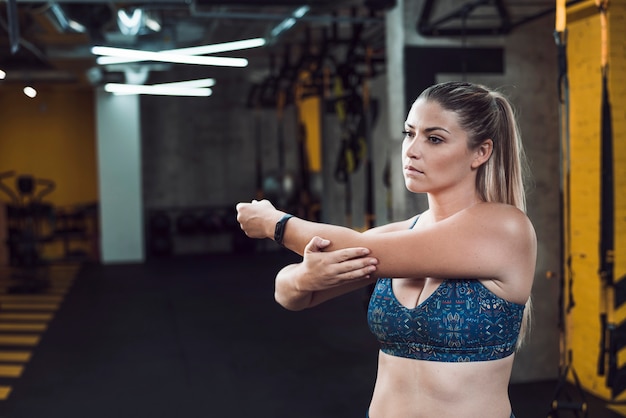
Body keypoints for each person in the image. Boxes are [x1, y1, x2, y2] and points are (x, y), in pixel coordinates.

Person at [236, 81, 537, 418]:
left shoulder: (505, 229)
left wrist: (274, 223)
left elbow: (352, 245)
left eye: (434, 138)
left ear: (480, 152)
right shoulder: (401, 235)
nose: (411, 149)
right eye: (410, 133)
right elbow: (288, 294)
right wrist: (306, 276)